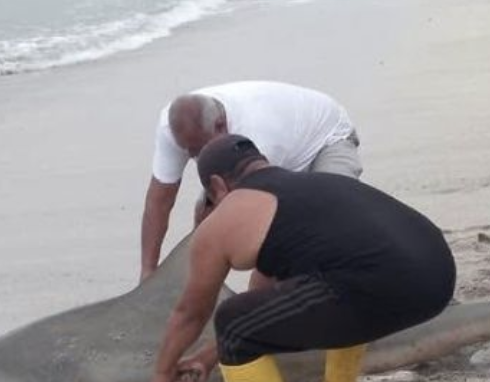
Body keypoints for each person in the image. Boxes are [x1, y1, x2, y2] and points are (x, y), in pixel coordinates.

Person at [140, 135, 456, 382]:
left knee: (230, 320)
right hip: (437, 277)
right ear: (264, 162)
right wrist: (208, 358)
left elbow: (190, 314)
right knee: (334, 283)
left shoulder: (229, 215)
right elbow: (273, 305)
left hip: (381, 287)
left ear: (216, 186)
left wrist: (161, 378)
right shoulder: (313, 188)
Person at [139, 81, 361, 283]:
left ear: (220, 125)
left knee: (320, 224)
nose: (197, 157)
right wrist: (147, 273)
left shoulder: (260, 132)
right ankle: (204, 283)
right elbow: (159, 201)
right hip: (275, 147)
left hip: (326, 141)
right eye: (190, 152)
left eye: (201, 149)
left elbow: (271, 223)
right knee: (206, 213)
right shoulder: (172, 127)